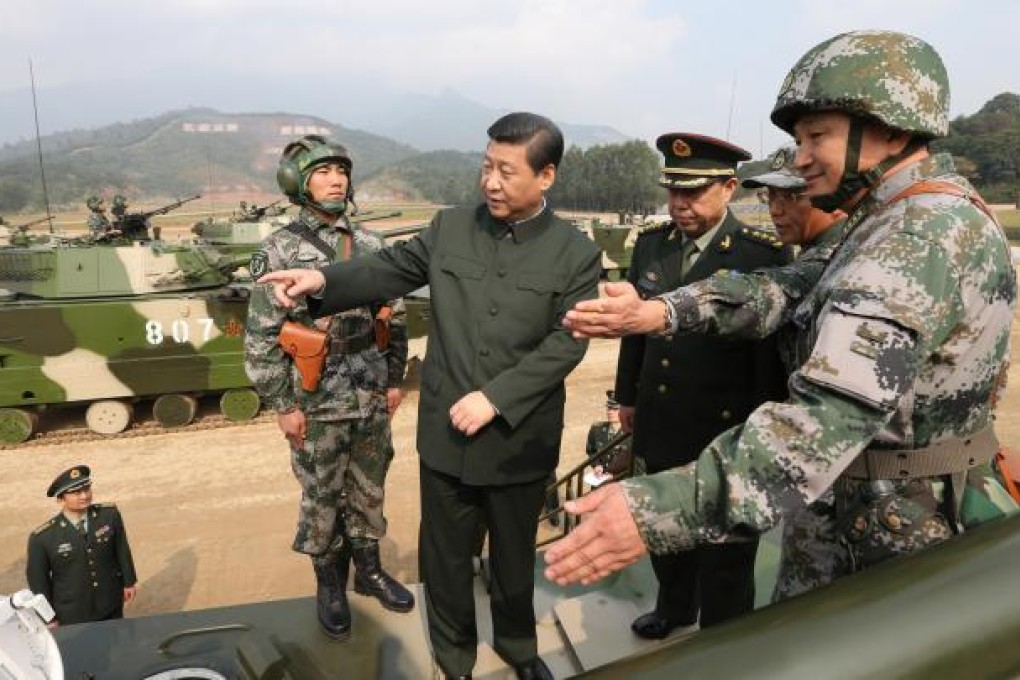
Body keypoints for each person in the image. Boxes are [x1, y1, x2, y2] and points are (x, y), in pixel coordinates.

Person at [544, 30, 1017, 599]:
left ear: (891, 128)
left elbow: (820, 425)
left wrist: (652, 510)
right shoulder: (896, 217)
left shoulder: (914, 239)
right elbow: (792, 286)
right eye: (799, 139)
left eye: (817, 135)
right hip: (863, 519)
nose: (801, 159)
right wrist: (661, 312)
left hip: (891, 541)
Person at [259, 112, 601, 680]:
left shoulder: (574, 253)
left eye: (506, 172)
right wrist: (323, 282)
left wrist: (496, 398)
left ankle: (519, 649)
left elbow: (569, 341)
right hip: (448, 437)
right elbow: (390, 268)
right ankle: (455, 657)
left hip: (519, 439)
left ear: (546, 177)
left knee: (515, 562)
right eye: (486, 166)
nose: (490, 182)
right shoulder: (450, 227)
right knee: (444, 560)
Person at [618, 133, 790, 639]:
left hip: (725, 428)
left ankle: (723, 639)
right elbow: (635, 331)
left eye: (692, 193)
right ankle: (674, 608)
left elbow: (768, 360)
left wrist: (761, 427)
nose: (679, 204)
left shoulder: (762, 258)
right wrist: (627, 398)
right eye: (673, 192)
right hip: (661, 421)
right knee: (663, 533)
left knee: (726, 552)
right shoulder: (652, 245)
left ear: (729, 189)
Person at [244, 134, 413, 641]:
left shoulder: (372, 245)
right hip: (316, 396)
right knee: (322, 494)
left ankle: (371, 569)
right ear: (298, 183)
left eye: (341, 170)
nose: (336, 179)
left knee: (370, 485)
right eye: (323, 171)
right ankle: (329, 583)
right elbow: (261, 336)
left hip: (370, 389)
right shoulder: (278, 249)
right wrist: (281, 404)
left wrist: (394, 378)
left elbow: (396, 315)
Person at [26, 465, 138, 627]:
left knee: (116, 643)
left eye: (87, 489)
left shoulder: (108, 515)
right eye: (77, 492)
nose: (84, 496)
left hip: (110, 601)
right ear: (61, 499)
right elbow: (38, 581)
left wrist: (129, 582)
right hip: (72, 612)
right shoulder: (43, 537)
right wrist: (48, 617)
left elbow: (121, 549)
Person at [583, 390, 633, 488]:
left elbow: (634, 464)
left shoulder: (631, 434)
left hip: (621, 484)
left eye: (615, 409)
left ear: (623, 411)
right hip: (599, 482)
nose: (610, 412)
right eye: (609, 408)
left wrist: (616, 475)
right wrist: (597, 465)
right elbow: (591, 451)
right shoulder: (596, 429)